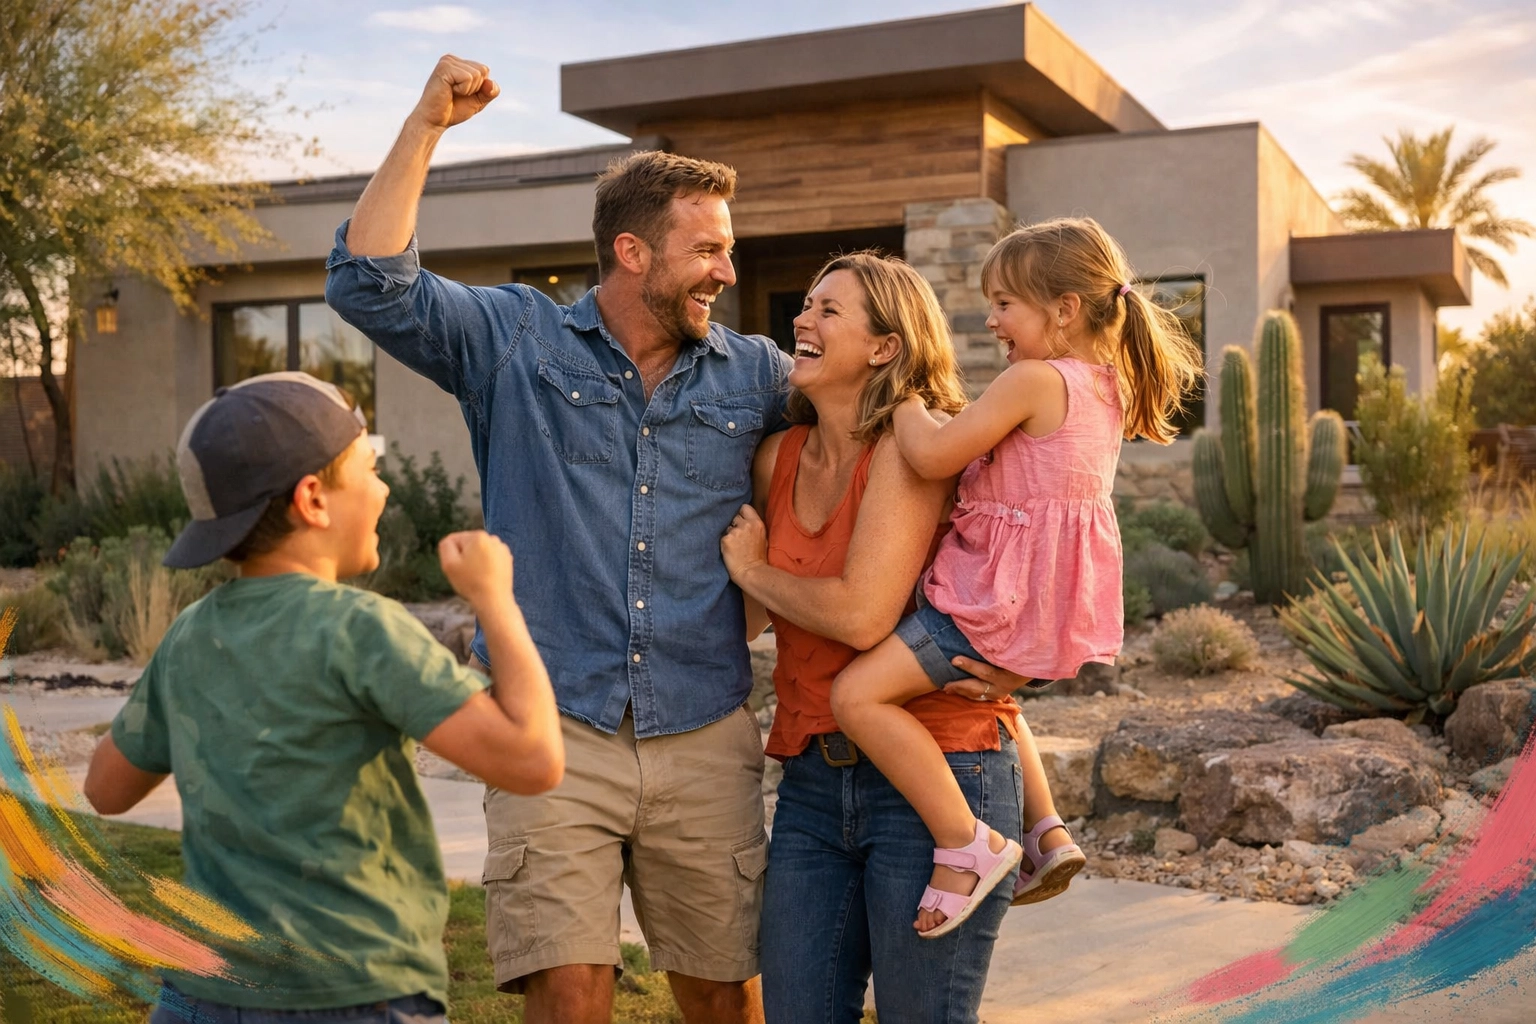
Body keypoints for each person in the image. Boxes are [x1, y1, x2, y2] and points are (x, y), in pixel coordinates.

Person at [324, 55, 791, 1024]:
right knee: (568, 994)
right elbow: (370, 285)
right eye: (707, 249)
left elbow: (885, 406)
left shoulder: (753, 373)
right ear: (632, 251)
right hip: (551, 730)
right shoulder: (514, 341)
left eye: (729, 249)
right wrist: (425, 123)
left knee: (722, 996)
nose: (728, 272)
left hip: (702, 728)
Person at [82, 371, 565, 1023]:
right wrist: (496, 601)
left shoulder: (189, 636)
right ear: (313, 498)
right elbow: (533, 760)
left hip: (204, 994)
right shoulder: (361, 630)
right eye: (371, 467)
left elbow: (105, 790)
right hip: (354, 991)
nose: (386, 485)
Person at [829, 217, 1206, 937]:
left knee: (857, 696)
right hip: (1036, 609)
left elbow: (935, 457)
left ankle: (966, 844)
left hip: (988, 604)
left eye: (1005, 303)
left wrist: (903, 400)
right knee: (1001, 701)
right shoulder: (1106, 386)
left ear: (1064, 309)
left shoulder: (1033, 379)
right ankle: (1047, 832)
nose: (992, 319)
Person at [720, 252, 1036, 1024]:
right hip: (812, 784)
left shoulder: (912, 449)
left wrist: (754, 573)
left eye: (830, 310)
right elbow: (755, 620)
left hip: (939, 780)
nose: (803, 319)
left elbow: (862, 616)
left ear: (886, 347)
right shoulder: (777, 457)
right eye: (806, 305)